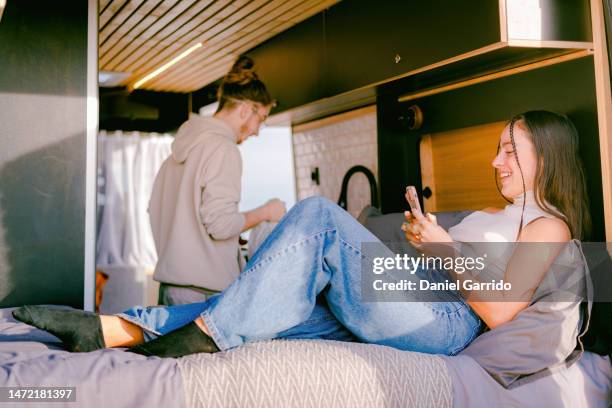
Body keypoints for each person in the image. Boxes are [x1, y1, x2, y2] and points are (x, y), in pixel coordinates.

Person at [13, 110, 590, 358]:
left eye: (510, 150)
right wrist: (429, 241)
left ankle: (201, 338)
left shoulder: (549, 224)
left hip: (445, 322)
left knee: (316, 215)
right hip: (412, 292)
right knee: (260, 305)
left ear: (549, 155)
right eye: (497, 149)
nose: (496, 161)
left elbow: (500, 309)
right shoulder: (501, 213)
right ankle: (109, 330)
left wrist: (446, 250)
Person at [149, 55, 286, 305]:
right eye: (262, 119)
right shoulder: (224, 149)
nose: (257, 131)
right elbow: (220, 225)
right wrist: (267, 212)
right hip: (203, 294)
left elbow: (163, 213)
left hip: (171, 288)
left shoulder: (180, 150)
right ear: (246, 110)